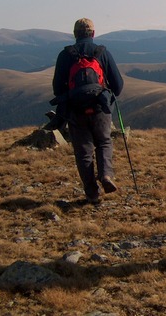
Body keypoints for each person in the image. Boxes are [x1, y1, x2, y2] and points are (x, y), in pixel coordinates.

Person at [52, 18, 124, 205]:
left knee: (83, 151)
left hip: (76, 110)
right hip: (100, 107)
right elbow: (118, 84)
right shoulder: (101, 52)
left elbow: (57, 88)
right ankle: (106, 175)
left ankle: (92, 193)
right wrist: (109, 96)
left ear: (75, 34)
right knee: (104, 142)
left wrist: (69, 99)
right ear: (93, 33)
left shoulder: (65, 55)